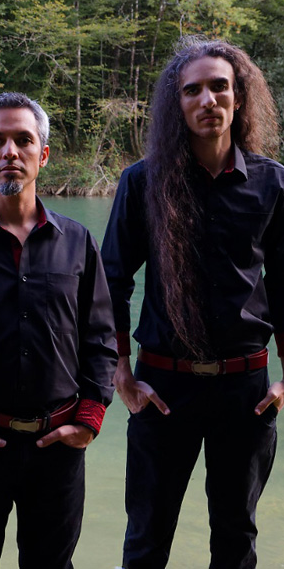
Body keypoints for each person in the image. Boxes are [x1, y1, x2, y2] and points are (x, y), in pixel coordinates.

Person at [102, 37, 284, 569]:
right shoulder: (143, 182)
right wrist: (120, 372)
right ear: (176, 104)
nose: (208, 100)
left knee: (236, 538)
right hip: (163, 387)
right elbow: (111, 280)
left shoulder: (272, 183)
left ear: (239, 96)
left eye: (219, 86)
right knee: (146, 539)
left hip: (246, 391)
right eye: (192, 90)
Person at [0, 92, 117, 569]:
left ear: (43, 154)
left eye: (23, 140)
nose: (10, 151)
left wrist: (90, 418)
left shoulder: (78, 242)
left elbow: (100, 336)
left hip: (59, 445)